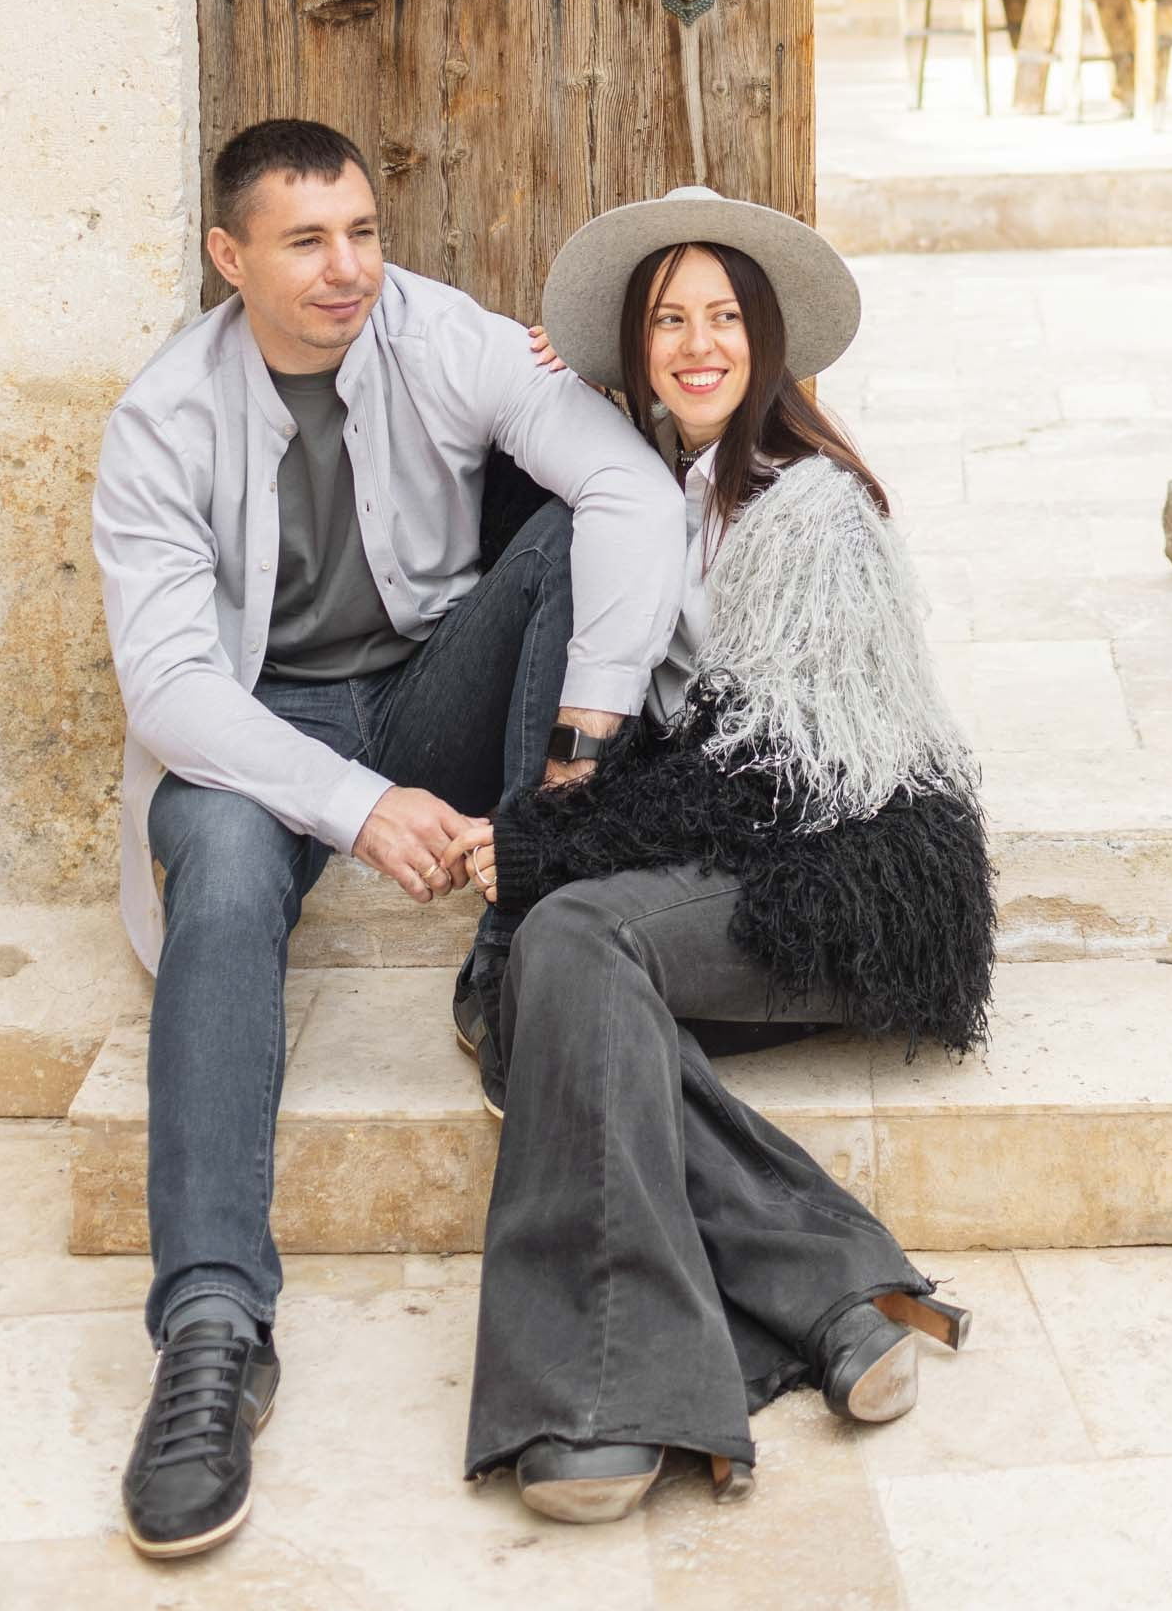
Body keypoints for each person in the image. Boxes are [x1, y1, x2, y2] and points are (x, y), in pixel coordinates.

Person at [93, 119, 688, 1561]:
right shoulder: (162, 418)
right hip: (254, 727)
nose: (348, 267)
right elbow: (171, 687)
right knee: (227, 869)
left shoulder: (443, 332)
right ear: (229, 258)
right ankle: (213, 1336)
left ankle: (510, 942)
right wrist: (354, 810)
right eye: (305, 241)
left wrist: (577, 749)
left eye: (362, 229)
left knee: (561, 530)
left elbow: (628, 489)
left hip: (432, 690)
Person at [460, 183, 994, 1526]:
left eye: (722, 320)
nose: (697, 344)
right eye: (662, 321)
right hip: (761, 872)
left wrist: (546, 846)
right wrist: (540, 392)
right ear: (636, 351)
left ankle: (599, 1397)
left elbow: (778, 778)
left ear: (766, 341)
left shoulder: (805, 506)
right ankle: (833, 1298)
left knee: (566, 945)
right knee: (547, 1005)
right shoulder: (668, 495)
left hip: (853, 888)